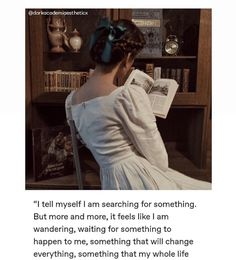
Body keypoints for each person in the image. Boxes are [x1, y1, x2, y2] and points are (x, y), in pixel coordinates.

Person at [65, 18, 211, 190]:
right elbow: (160, 161)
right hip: (136, 179)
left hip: (111, 181)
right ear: (127, 58)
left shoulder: (71, 100)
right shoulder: (125, 96)